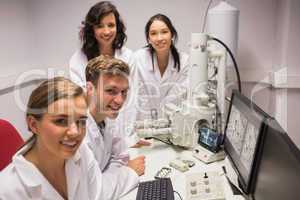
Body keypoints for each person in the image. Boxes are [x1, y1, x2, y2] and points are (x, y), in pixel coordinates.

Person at [0, 77, 104, 199]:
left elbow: (98, 195)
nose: (75, 132)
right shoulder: (7, 191)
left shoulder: (82, 152)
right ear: (33, 125)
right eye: (61, 120)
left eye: (81, 121)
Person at [70, 1, 143, 148]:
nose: (107, 31)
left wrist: (127, 137)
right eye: (100, 26)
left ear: (118, 27)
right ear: (92, 29)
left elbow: (131, 99)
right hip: (93, 131)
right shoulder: (78, 60)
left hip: (122, 132)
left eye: (111, 25)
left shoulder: (128, 57)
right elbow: (83, 102)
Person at [85, 55, 145, 198]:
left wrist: (108, 177)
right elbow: (92, 195)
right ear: (90, 88)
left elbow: (120, 157)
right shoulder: (78, 134)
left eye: (124, 92)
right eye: (111, 91)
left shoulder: (107, 116)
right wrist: (128, 173)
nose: (119, 100)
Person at [133, 14, 189, 121]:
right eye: (153, 33)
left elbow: (181, 97)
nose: (159, 38)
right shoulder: (137, 59)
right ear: (148, 39)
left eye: (164, 32)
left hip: (172, 126)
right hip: (142, 126)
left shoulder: (185, 62)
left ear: (172, 34)